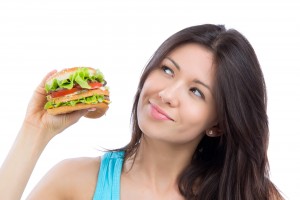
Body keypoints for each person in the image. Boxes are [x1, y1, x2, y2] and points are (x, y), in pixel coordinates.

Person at [0, 24, 284, 200]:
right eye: (167, 70)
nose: (167, 94)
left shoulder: (251, 195)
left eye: (196, 91)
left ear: (218, 124)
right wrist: (35, 130)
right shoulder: (75, 181)